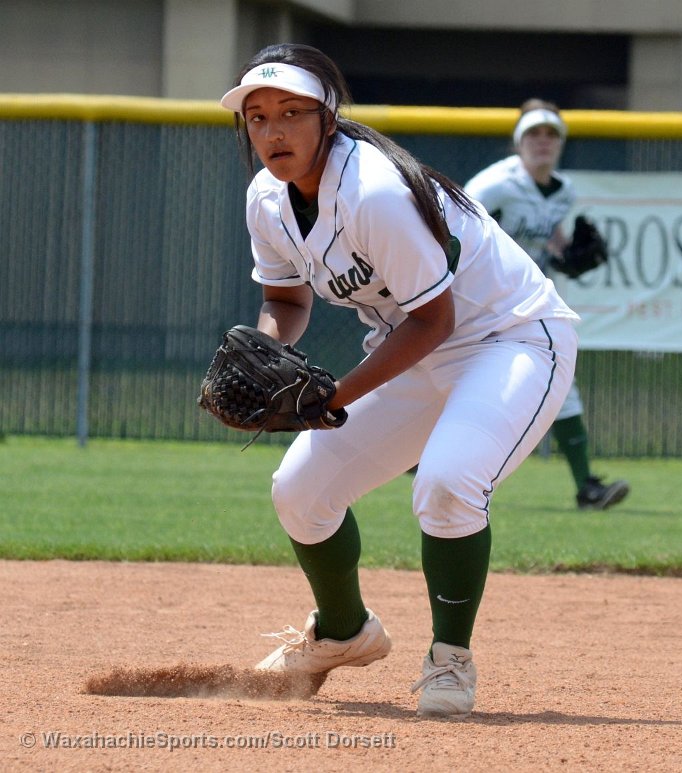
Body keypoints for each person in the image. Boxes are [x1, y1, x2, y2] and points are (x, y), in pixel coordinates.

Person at [219, 44, 579, 718]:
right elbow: (286, 299)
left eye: (292, 112)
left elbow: (436, 319)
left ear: (328, 118)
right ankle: (343, 631)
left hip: (511, 339)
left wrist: (332, 399)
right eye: (258, 116)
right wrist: (267, 351)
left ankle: (450, 659)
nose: (273, 130)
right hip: (413, 347)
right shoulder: (266, 199)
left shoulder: (373, 191)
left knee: (447, 482)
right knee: (299, 490)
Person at [464, 100, 630, 512]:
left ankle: (588, 487)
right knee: (451, 378)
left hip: (526, 304)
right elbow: (454, 224)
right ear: (518, 142)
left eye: (551, 135)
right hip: (479, 302)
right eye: (534, 134)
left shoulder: (563, 192)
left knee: (559, 377)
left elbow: (551, 240)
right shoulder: (497, 184)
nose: (543, 142)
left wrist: (568, 254)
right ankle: (421, 455)